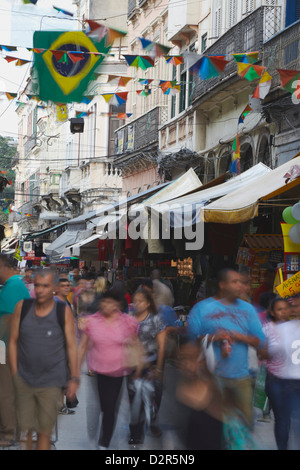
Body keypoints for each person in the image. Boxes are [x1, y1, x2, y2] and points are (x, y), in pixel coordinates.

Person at [8, 268, 79, 450]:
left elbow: (71, 346)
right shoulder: (22, 308)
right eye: (37, 285)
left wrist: (74, 377)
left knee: (44, 431)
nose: (40, 290)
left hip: (51, 381)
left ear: (54, 288)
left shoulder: (62, 312)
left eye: (45, 286)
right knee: (26, 431)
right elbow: (13, 341)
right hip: (24, 379)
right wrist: (15, 373)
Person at [187, 268, 266, 428]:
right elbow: (191, 340)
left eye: (241, 282)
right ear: (223, 285)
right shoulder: (202, 309)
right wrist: (214, 337)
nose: (240, 286)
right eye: (234, 282)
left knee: (244, 426)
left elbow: (260, 342)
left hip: (242, 378)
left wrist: (240, 337)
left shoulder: (248, 309)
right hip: (213, 379)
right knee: (216, 426)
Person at [77, 290, 140, 450]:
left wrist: (138, 367)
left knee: (110, 407)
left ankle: (103, 443)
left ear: (118, 305)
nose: (106, 305)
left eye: (111, 302)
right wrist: (76, 370)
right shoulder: (92, 321)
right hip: (96, 370)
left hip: (118, 370)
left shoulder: (127, 322)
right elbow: (83, 345)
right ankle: (99, 436)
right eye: (104, 302)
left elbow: (135, 344)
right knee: (99, 406)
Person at [127, 288, 167, 445]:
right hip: (132, 364)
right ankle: (135, 433)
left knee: (154, 397)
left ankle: (153, 420)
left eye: (140, 301)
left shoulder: (156, 319)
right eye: (135, 301)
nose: (137, 304)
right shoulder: (129, 319)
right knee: (134, 399)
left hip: (151, 364)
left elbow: (162, 346)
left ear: (148, 303)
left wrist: (158, 368)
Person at [261, 297, 300, 450]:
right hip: (279, 381)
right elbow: (266, 354)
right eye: (294, 306)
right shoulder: (278, 328)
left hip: (284, 381)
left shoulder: (279, 328)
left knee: (287, 422)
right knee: (285, 422)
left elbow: (267, 353)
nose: (293, 309)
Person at [0, 255, 30, 447]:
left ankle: (8, 433)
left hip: (6, 348)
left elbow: (9, 321)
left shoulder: (12, 287)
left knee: (6, 391)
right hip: (13, 347)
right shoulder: (18, 284)